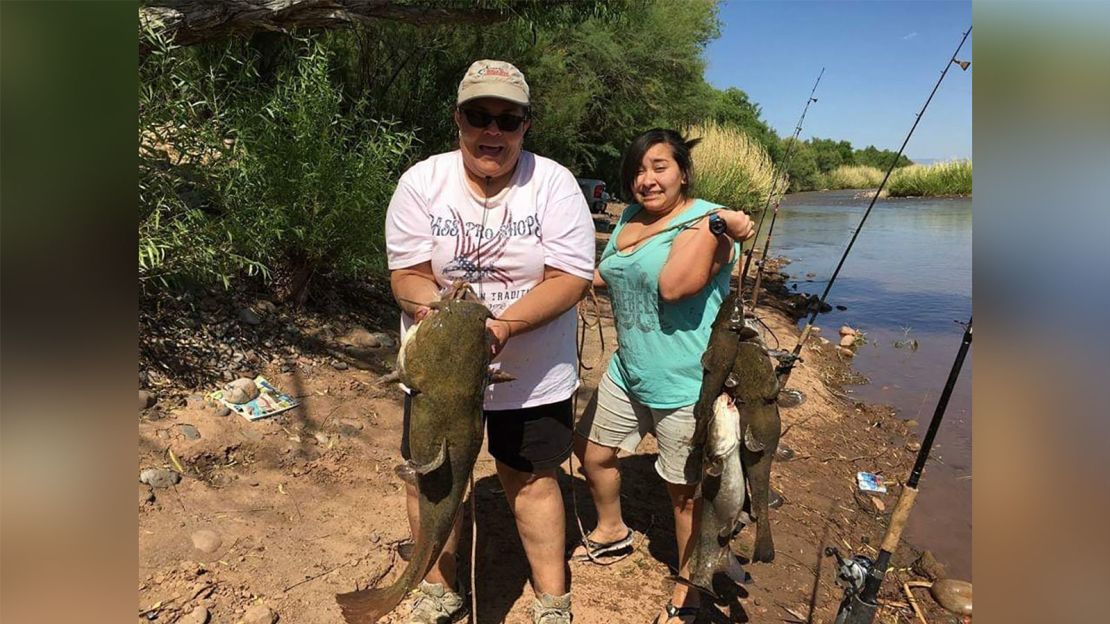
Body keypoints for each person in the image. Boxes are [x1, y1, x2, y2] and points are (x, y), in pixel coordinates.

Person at [385, 60, 595, 624]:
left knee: (530, 480)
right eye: (480, 116)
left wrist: (501, 328)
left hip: (533, 374)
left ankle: (552, 600)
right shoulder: (421, 181)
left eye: (509, 119)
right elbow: (405, 273)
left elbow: (570, 278)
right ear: (458, 119)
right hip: (437, 380)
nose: (492, 132)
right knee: (432, 476)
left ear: (526, 126)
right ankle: (437, 586)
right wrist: (433, 315)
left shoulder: (553, 183)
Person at [571, 129, 755, 624]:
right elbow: (609, 272)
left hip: (685, 383)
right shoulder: (631, 216)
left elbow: (675, 287)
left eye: (659, 168)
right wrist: (546, 278)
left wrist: (718, 224)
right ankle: (612, 528)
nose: (646, 180)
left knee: (685, 494)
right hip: (629, 368)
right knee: (592, 451)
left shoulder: (706, 221)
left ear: (683, 173)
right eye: (637, 170)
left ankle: (688, 591)